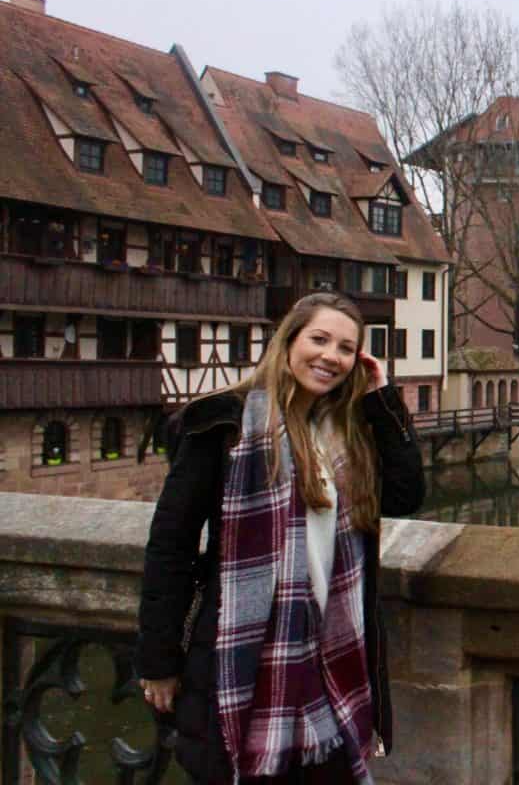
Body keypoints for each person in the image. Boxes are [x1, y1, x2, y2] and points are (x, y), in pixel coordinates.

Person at [137, 293, 425, 784]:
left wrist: (382, 398)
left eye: (346, 348)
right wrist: (159, 660)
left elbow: (405, 495)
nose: (330, 356)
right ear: (288, 340)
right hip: (241, 655)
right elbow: (171, 545)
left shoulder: (347, 431)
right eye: (319, 339)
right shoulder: (222, 424)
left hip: (329, 656)